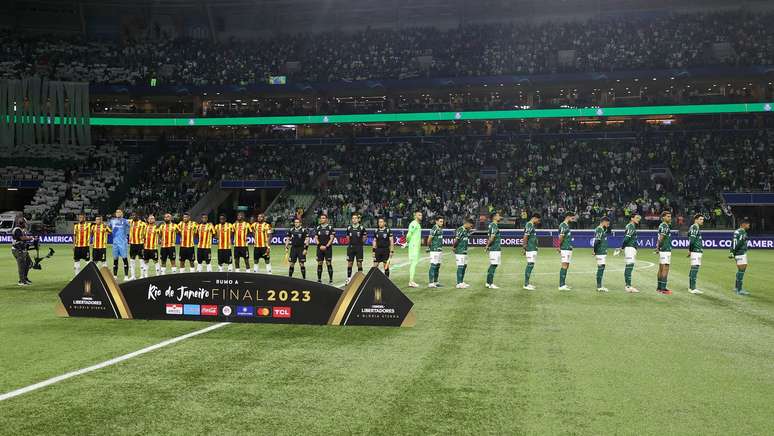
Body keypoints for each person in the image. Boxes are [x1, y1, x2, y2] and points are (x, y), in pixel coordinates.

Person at [616, 214, 641, 293]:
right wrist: (622, 247)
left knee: (629, 266)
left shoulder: (630, 226)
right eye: (636, 218)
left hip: (630, 248)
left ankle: (628, 285)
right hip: (630, 248)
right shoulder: (631, 226)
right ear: (632, 218)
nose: (638, 219)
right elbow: (626, 238)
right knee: (629, 266)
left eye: (639, 218)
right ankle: (628, 286)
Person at [730, 218, 751, 296]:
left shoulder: (737, 231)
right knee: (742, 270)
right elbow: (738, 243)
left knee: (740, 269)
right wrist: (734, 251)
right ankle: (739, 290)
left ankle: (736, 287)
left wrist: (732, 251)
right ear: (743, 224)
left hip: (737, 253)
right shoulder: (742, 232)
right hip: (740, 253)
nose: (749, 225)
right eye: (748, 224)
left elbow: (733, 242)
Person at [345, 212, 367, 284]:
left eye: (355, 218)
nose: (354, 220)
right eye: (353, 218)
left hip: (359, 248)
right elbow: (347, 237)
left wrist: (360, 244)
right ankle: (348, 278)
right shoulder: (349, 228)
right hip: (351, 247)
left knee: (359, 263)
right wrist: (350, 244)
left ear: (358, 219)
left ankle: (360, 279)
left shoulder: (361, 228)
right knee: (350, 263)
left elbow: (364, 237)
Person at [108, 209, 130, 280]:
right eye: (116, 212)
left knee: (124, 259)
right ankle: (115, 276)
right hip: (115, 243)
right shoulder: (112, 221)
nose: (117, 213)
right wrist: (111, 232)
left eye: (119, 212)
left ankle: (126, 276)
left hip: (123, 243)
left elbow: (131, 227)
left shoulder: (125, 221)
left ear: (122, 213)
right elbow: (108, 228)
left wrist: (126, 235)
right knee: (115, 259)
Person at [11, 217, 34, 286]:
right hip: (18, 250)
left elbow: (23, 241)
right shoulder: (17, 230)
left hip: (22, 250)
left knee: (29, 263)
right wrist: (31, 238)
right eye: (24, 223)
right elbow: (22, 238)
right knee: (22, 266)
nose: (25, 224)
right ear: (21, 223)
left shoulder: (21, 230)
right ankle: (21, 281)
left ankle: (24, 278)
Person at [557, 211, 576, 291]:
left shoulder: (567, 225)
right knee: (564, 265)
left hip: (567, 248)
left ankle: (563, 284)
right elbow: (560, 237)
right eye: (572, 217)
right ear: (568, 216)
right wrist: (558, 246)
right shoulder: (563, 225)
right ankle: (561, 285)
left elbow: (565, 238)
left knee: (567, 266)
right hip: (564, 249)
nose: (573, 219)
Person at [655, 211, 673, 295]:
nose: (670, 218)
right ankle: (663, 289)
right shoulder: (665, 226)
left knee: (661, 268)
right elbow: (661, 237)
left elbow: (660, 238)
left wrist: (658, 247)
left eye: (670, 216)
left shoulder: (661, 225)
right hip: (665, 249)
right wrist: (658, 247)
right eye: (668, 216)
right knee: (665, 268)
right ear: (663, 217)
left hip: (662, 249)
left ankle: (659, 288)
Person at [453, 218, 474, 289]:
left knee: (464, 266)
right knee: (460, 266)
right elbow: (456, 240)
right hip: (460, 251)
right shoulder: (460, 230)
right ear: (467, 223)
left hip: (464, 251)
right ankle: (458, 283)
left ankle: (461, 281)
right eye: (470, 226)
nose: (471, 227)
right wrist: (454, 247)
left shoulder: (466, 230)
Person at [404, 211, 423, 288]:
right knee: (413, 263)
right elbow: (409, 235)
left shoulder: (418, 224)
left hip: (416, 247)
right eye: (419, 215)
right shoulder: (413, 223)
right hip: (414, 246)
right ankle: (411, 281)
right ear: (415, 216)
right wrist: (408, 242)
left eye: (421, 215)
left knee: (414, 263)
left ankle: (411, 281)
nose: (421, 216)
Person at [314, 214, 334, 284]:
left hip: (328, 248)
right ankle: (319, 279)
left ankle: (331, 279)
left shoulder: (330, 228)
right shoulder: (318, 228)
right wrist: (320, 245)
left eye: (323, 218)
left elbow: (331, 238)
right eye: (321, 218)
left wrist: (326, 246)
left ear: (326, 219)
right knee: (320, 263)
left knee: (328, 263)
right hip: (319, 248)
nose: (321, 219)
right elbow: (316, 238)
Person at [522, 213, 541, 290]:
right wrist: (524, 247)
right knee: (530, 264)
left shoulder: (531, 225)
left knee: (531, 264)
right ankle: (526, 284)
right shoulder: (529, 225)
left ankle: (527, 283)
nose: (538, 222)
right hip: (530, 248)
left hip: (532, 248)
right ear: (535, 218)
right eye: (538, 220)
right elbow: (525, 236)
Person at [687, 214, 705, 294]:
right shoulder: (694, 227)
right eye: (700, 219)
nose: (702, 221)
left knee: (694, 268)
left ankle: (691, 287)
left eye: (702, 219)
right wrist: (690, 250)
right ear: (696, 220)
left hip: (696, 251)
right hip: (695, 251)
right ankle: (692, 288)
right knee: (695, 268)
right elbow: (692, 240)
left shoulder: (695, 227)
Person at [485, 211, 502, 289]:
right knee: (494, 265)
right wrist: (487, 246)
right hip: (495, 249)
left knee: (493, 265)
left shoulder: (491, 225)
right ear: (494, 217)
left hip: (494, 248)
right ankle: (490, 283)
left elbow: (490, 237)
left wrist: (488, 246)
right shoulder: (494, 225)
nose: (500, 217)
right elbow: (492, 237)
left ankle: (488, 282)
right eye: (498, 216)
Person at [593, 216, 610, 292]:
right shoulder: (599, 229)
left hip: (601, 251)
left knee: (602, 267)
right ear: (603, 222)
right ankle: (599, 287)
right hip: (600, 252)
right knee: (601, 267)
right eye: (607, 223)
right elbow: (597, 241)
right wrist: (595, 251)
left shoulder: (602, 229)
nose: (608, 225)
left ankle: (599, 286)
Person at [128, 212, 147, 280]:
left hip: (140, 244)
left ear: (138, 216)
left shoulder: (143, 224)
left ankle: (142, 275)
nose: (133, 216)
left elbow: (146, 234)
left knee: (141, 259)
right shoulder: (130, 222)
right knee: (132, 260)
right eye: (132, 215)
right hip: (132, 244)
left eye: (134, 215)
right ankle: (133, 276)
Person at [427, 216, 444, 288]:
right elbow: (429, 239)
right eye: (440, 221)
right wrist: (429, 247)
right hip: (434, 250)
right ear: (436, 221)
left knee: (437, 266)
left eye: (442, 221)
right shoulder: (434, 228)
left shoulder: (440, 229)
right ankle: (431, 283)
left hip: (439, 250)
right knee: (433, 265)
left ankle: (436, 282)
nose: (442, 223)